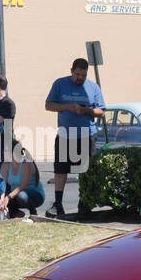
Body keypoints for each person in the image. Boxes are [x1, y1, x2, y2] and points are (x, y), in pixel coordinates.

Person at [44, 57, 105, 218]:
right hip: (65, 134)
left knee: (85, 170)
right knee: (61, 170)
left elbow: (101, 111)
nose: (80, 78)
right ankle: (58, 204)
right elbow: (48, 105)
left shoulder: (93, 87)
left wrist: (87, 111)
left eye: (83, 75)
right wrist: (68, 107)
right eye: (77, 74)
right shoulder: (60, 84)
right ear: (71, 71)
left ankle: (84, 203)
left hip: (87, 135)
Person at [0, 146, 44, 220]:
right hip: (15, 194)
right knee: (1, 197)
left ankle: (33, 213)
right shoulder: (6, 165)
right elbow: (2, 184)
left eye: (6, 151)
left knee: (21, 196)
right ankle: (16, 214)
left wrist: (7, 197)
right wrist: (2, 199)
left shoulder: (26, 163)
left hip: (34, 195)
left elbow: (22, 186)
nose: (3, 153)